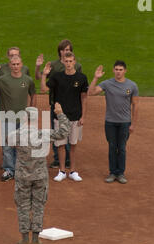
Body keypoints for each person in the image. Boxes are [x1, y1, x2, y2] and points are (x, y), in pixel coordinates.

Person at [8, 103, 69, 244]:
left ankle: (24, 239)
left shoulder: (14, 135)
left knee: (23, 206)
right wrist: (60, 113)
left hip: (23, 176)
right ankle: (35, 239)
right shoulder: (43, 134)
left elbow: (8, 143)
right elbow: (64, 132)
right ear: (36, 120)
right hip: (40, 176)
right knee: (38, 206)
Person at [0, 56, 36, 182]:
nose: (16, 66)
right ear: (10, 65)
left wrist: (31, 112)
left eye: (18, 64)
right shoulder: (3, 79)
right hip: (7, 118)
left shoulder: (28, 80)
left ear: (21, 64)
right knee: (7, 145)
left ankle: (20, 169)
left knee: (21, 145)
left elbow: (33, 95)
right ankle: (9, 170)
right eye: (13, 64)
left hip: (22, 118)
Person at [88, 61, 139, 184]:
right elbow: (91, 92)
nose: (118, 72)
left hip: (125, 123)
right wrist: (95, 78)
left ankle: (120, 173)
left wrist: (133, 124)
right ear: (113, 70)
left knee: (121, 148)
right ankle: (112, 173)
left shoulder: (132, 86)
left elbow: (135, 105)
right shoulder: (107, 84)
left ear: (125, 71)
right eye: (116, 69)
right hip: (110, 122)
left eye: (121, 69)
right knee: (112, 147)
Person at [35, 39, 83, 169]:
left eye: (68, 50)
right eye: (63, 50)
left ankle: (67, 159)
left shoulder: (77, 67)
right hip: (56, 104)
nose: (66, 52)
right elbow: (40, 77)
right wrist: (39, 66)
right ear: (60, 51)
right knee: (57, 132)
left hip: (72, 105)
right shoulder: (54, 65)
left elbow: (80, 85)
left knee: (70, 133)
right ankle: (58, 158)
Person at [41, 52, 88, 182]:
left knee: (73, 145)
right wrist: (44, 74)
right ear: (63, 62)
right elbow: (44, 89)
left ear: (74, 62)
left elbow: (84, 98)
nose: (68, 64)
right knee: (61, 145)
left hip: (75, 116)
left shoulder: (82, 78)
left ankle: (73, 171)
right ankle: (61, 171)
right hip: (60, 117)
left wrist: (83, 116)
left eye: (71, 61)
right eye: (66, 61)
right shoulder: (57, 77)